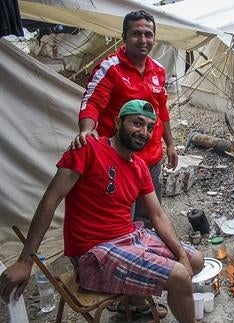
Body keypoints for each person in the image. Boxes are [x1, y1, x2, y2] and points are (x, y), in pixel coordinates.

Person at [0, 100, 204, 322]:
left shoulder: (139, 166)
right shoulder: (88, 148)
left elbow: (158, 215)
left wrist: (182, 255)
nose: (143, 132)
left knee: (195, 260)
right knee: (180, 276)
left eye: (149, 127)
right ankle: (143, 304)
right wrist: (25, 261)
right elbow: (50, 199)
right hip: (95, 254)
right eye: (137, 123)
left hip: (130, 239)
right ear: (118, 122)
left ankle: (136, 307)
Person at [71, 10, 177, 228]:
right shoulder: (110, 68)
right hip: (118, 159)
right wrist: (86, 129)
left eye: (148, 34)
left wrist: (171, 144)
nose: (143, 40)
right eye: (136, 34)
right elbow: (93, 102)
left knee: (149, 216)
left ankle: (147, 255)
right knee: (118, 219)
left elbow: (161, 111)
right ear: (124, 37)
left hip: (151, 158)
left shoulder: (158, 70)